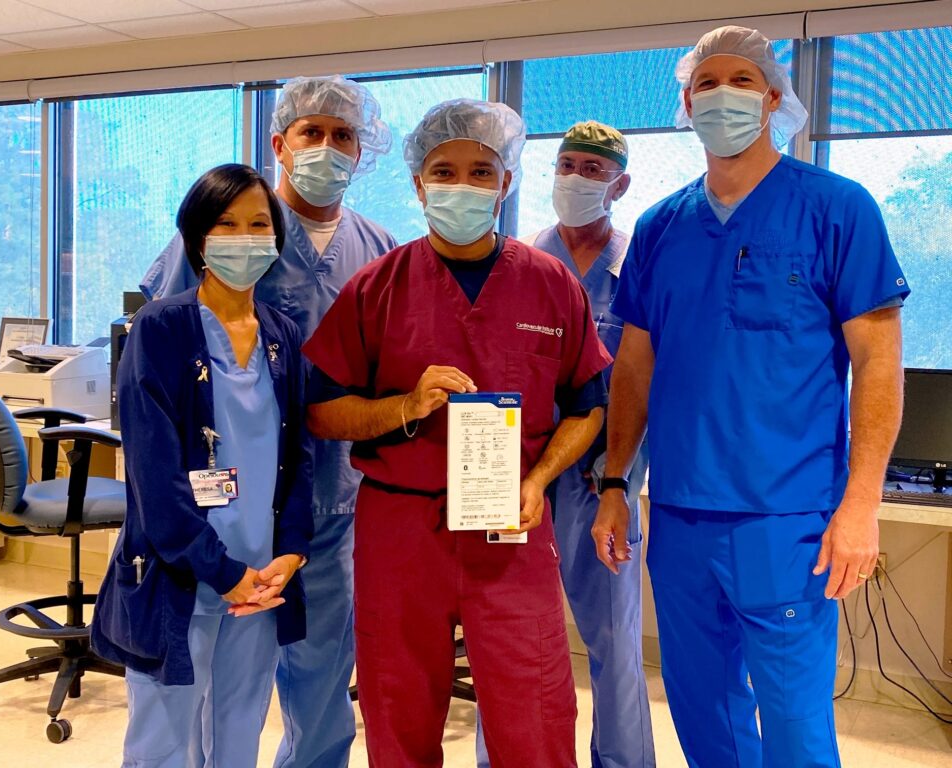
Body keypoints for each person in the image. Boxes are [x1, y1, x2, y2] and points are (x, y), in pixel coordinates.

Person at [592, 26, 909, 768]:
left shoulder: (837, 208)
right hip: (679, 515)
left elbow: (879, 363)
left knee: (796, 728)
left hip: (787, 518)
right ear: (685, 101)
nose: (722, 96)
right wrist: (615, 483)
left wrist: (861, 504)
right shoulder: (663, 227)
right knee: (704, 715)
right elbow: (633, 369)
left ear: (773, 97)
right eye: (706, 83)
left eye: (741, 81)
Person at [303, 98, 612, 768]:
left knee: (535, 714)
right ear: (418, 183)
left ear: (506, 183)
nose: (463, 185)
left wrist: (538, 480)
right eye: (445, 171)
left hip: (511, 526)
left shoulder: (550, 284)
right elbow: (322, 411)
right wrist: (405, 406)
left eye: (481, 171)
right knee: (397, 707)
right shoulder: (375, 288)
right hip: (400, 531)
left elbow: (588, 405)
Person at [139, 75, 396, 768]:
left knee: (317, 683)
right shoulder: (232, 227)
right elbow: (159, 360)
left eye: (343, 135)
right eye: (311, 132)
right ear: (279, 142)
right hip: (221, 513)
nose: (327, 147)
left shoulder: (379, 248)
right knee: (195, 696)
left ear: (362, 148)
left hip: (329, 506)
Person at [91, 163, 315, 768]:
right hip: (184, 571)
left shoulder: (283, 335)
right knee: (165, 739)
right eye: (227, 223)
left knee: (240, 732)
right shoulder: (160, 329)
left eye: (258, 224)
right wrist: (222, 571)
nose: (245, 237)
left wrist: (290, 554)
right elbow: (154, 478)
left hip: (263, 577)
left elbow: (299, 458)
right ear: (197, 238)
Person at [514, 121, 655, 768]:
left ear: (619, 184)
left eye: (592, 170)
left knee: (616, 644)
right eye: (566, 165)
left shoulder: (641, 268)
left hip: (604, 480)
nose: (575, 178)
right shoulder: (518, 262)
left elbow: (650, 378)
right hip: (529, 476)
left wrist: (623, 476)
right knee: (511, 634)